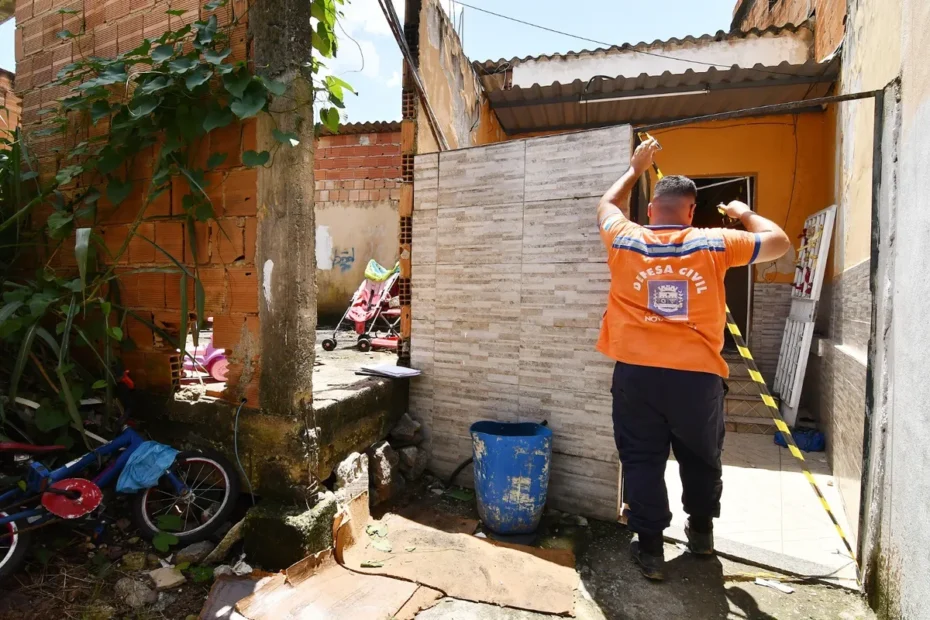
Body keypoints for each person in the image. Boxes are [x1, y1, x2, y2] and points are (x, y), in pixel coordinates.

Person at [596, 138, 790, 581]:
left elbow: (607, 203)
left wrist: (634, 168)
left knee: (642, 458)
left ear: (650, 212)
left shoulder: (625, 238)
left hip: (637, 377)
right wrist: (741, 212)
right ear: (690, 210)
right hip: (696, 380)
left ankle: (649, 551)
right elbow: (777, 241)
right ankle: (701, 535)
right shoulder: (715, 241)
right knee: (701, 458)